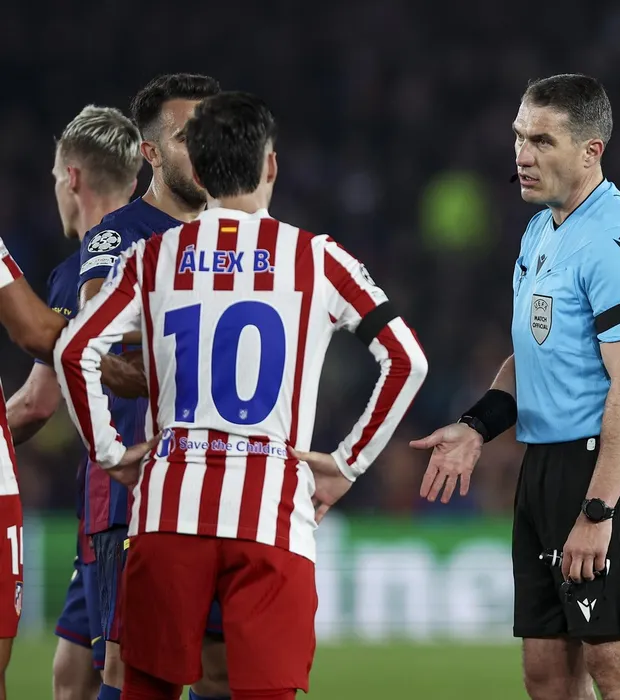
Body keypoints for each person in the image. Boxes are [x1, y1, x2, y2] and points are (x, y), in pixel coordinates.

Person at [55, 90, 429, 700]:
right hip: (272, 513)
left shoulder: (153, 257)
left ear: (199, 173)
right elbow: (407, 359)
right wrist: (346, 464)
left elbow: (75, 350)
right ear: (270, 165)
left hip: (168, 507)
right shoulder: (318, 258)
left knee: (143, 688)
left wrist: (110, 451)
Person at [411, 74, 620, 700]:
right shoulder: (541, 231)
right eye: (519, 137)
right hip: (543, 468)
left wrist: (599, 512)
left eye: (543, 141)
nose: (522, 155)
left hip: (600, 468)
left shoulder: (616, 240)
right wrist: (476, 426)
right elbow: (532, 356)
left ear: (591, 150)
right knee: (548, 676)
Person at [76, 73, 230, 700]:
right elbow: (91, 340)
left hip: (221, 480)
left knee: (221, 669)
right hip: (135, 487)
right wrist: (182, 380)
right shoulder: (120, 235)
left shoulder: (236, 235)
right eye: (188, 137)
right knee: (133, 667)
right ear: (151, 152)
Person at [5, 104, 140, 700]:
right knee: (71, 673)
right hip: (134, 488)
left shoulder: (84, 267)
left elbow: (36, 405)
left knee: (122, 672)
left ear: (73, 178)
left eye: (57, 177)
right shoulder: (168, 247)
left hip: (121, 494)